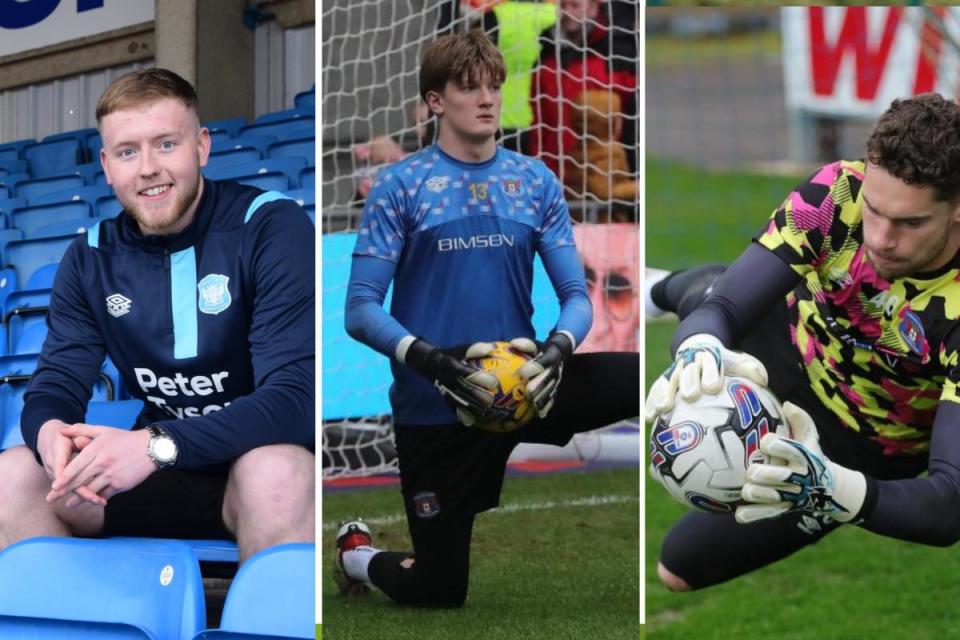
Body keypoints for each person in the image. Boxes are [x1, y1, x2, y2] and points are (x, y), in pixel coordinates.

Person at [336, 30, 639, 608]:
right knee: (438, 590)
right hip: (438, 404)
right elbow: (360, 309)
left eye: (494, 87)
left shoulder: (534, 181)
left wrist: (556, 353)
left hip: (527, 385)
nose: (487, 99)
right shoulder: (400, 187)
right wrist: (432, 362)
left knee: (651, 382)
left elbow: (577, 295)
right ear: (434, 101)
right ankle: (355, 554)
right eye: (469, 87)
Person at [645, 93, 960, 591]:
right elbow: (723, 312)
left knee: (678, 567)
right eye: (874, 211)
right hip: (782, 346)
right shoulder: (835, 192)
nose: (879, 238)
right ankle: (661, 288)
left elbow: (948, 506)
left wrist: (831, 488)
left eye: (910, 222)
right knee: (714, 306)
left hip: (865, 435)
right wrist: (699, 345)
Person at [0, 68, 315, 563]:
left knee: (277, 474)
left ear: (201, 147)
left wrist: (152, 445)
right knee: (14, 477)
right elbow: (55, 384)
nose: (148, 168)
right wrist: (50, 436)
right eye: (128, 151)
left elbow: (295, 401)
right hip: (152, 471)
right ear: (107, 165)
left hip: (247, 463)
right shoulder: (89, 257)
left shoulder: (269, 226)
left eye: (166, 144)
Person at [529, 0, 637, 180]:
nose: (567, 12)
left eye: (575, 6)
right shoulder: (546, 55)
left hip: (605, 174)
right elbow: (538, 123)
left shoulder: (618, 53)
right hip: (554, 174)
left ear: (594, 8)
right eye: (563, 6)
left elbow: (631, 119)